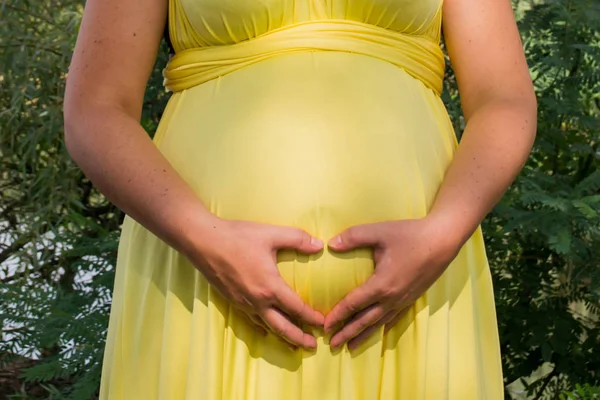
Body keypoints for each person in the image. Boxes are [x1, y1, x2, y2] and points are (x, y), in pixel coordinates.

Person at [63, 0, 537, 398]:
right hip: (203, 278)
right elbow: (96, 109)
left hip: (420, 286)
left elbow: (504, 99)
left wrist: (443, 232)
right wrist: (205, 240)